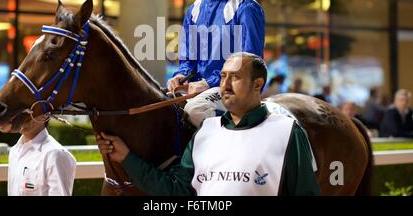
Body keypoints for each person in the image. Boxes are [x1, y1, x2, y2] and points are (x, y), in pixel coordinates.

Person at [97, 53, 320, 196]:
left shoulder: (287, 131)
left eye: (236, 77)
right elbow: (176, 191)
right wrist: (126, 157)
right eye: (223, 77)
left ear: (257, 84)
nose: (225, 85)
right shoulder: (205, 132)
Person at [167, 0, 265, 127]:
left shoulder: (246, 7)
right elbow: (188, 59)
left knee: (195, 110)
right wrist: (181, 76)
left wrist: (209, 83)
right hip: (201, 89)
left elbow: (251, 64)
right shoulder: (193, 10)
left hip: (235, 89)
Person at [8, 115, 76, 196]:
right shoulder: (14, 151)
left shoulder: (56, 154)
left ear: (45, 115)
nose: (20, 116)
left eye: (28, 110)